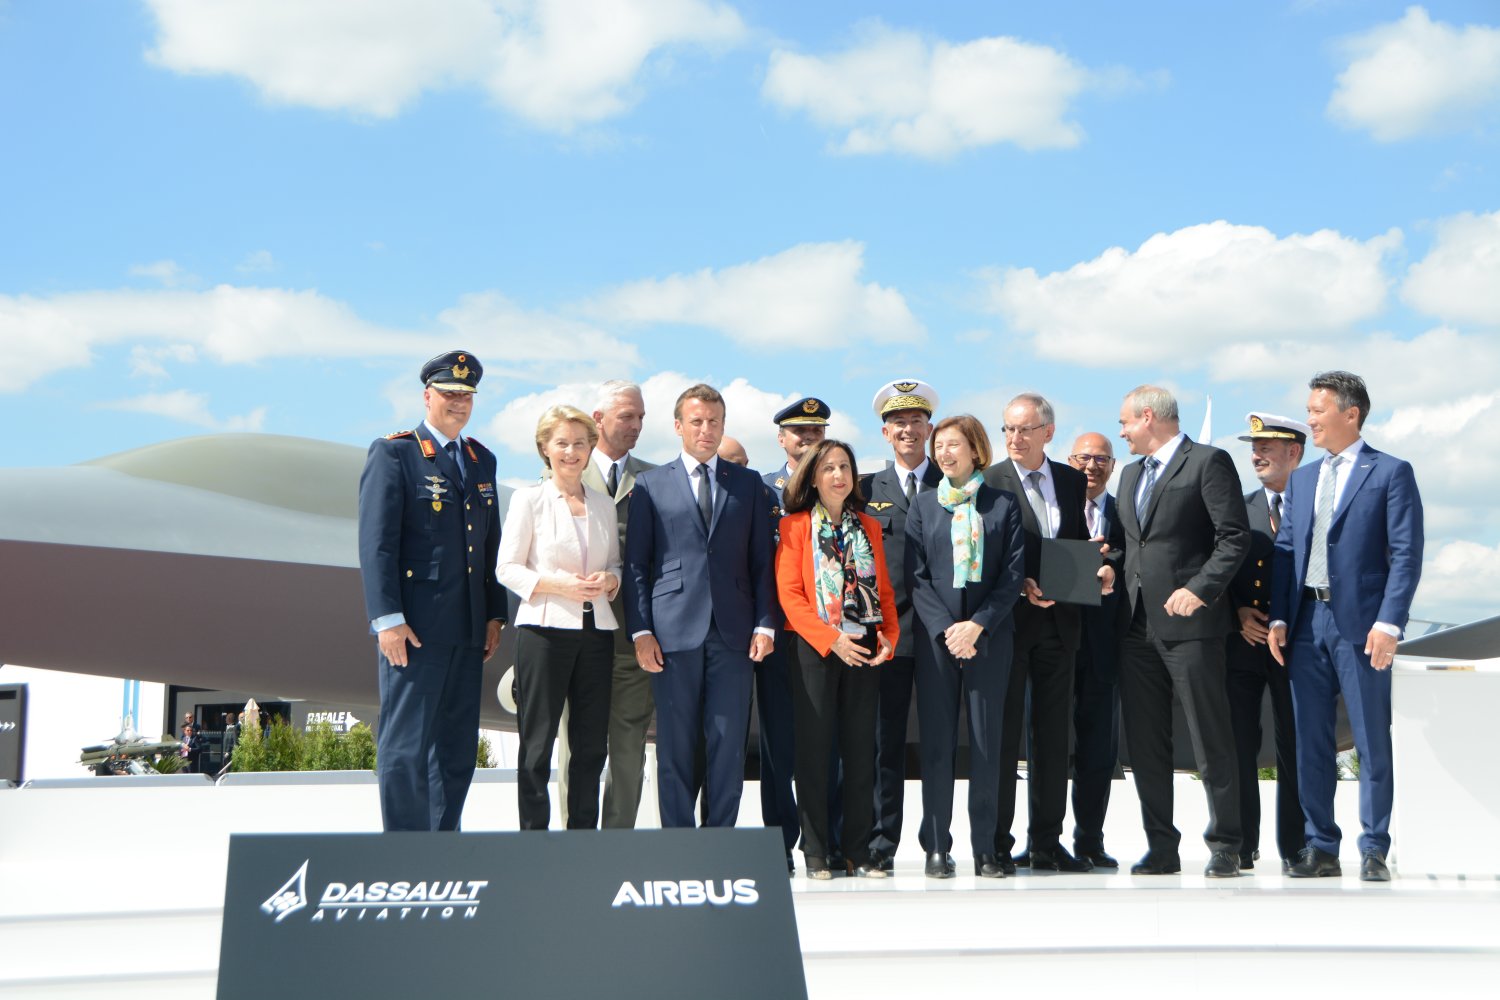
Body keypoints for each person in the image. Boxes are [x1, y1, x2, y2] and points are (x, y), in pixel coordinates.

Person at [1270, 372, 1423, 882]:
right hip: (1305, 622)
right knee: (1310, 741)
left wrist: (1390, 622)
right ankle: (1321, 847)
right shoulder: (1304, 479)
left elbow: (1406, 554)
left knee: (1370, 739)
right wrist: (1278, 616)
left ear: (1350, 414)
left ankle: (1374, 847)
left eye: (1317, 410)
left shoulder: (1391, 472)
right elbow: (1286, 551)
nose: (1309, 419)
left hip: (1363, 626)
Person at [357, 350, 506, 832]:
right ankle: (405, 853)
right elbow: (377, 544)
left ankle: (443, 851)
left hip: (468, 630)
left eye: (467, 396)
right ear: (427, 396)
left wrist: (494, 616)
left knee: (456, 752)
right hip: (414, 631)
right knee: (406, 749)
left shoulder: (481, 460)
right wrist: (387, 620)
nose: (459, 403)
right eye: (449, 394)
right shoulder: (395, 453)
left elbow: (489, 544)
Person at [623, 383, 779, 828]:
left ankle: (720, 841)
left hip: (735, 632)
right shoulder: (650, 485)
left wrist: (765, 624)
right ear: (678, 426)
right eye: (696, 421)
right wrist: (641, 631)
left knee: (727, 744)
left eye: (714, 422)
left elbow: (762, 561)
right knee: (675, 744)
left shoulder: (748, 484)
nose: (706, 430)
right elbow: (637, 564)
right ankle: (678, 843)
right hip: (671, 633)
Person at [1116, 385, 1249, 878]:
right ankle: (1161, 847)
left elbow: (1233, 537)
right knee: (1146, 744)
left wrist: (1200, 589)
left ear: (1148, 417)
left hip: (1192, 626)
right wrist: (1109, 567)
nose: (1122, 432)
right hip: (1135, 626)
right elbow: (1133, 545)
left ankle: (1226, 844)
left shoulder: (1208, 462)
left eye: (1125, 422)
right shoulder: (1130, 474)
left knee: (1209, 736)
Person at [983, 393, 1113, 874]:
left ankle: (1046, 843)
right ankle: (996, 843)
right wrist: (1020, 585)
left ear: (1048, 433)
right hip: (1008, 625)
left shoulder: (1070, 480)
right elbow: (983, 553)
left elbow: (1074, 543)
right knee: (1003, 738)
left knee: (1054, 740)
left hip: (1061, 626)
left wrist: (1098, 569)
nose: (1014, 438)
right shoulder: (988, 480)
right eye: (1008, 429)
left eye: (1024, 429)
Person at [906, 414, 1025, 878]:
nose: (943, 453)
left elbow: (1012, 577)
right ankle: (937, 845)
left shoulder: (1003, 504)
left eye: (953, 444)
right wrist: (947, 630)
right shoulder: (923, 505)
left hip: (988, 639)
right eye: (939, 445)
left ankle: (986, 848)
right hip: (938, 642)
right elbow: (916, 577)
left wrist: (976, 626)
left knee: (986, 743)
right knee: (937, 744)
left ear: (976, 449)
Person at [776, 439, 898, 879]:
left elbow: (883, 589)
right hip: (816, 648)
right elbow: (790, 596)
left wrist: (889, 636)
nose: (838, 475)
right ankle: (815, 850)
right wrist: (831, 640)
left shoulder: (868, 525)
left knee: (861, 751)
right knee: (814, 752)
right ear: (813, 477)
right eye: (828, 468)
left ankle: (857, 852)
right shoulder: (794, 526)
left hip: (864, 644)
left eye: (845, 467)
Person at [497, 405, 622, 830]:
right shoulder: (528, 500)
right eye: (562, 443)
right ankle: (534, 839)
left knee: (591, 746)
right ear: (545, 448)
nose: (571, 451)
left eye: (580, 443)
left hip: (596, 633)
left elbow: (616, 564)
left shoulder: (604, 505)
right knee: (538, 743)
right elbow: (507, 568)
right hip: (544, 632)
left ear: (590, 449)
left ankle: (582, 837)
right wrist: (556, 585)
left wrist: (610, 579)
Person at [861, 379, 942, 872]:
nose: (908, 429)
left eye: (916, 421)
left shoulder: (954, 483)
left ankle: (937, 843)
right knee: (882, 744)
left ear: (930, 429)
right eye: (898, 423)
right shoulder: (866, 488)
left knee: (939, 744)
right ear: (885, 433)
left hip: (940, 634)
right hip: (886, 637)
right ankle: (879, 844)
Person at [1227, 412, 1310, 873]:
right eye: (1254, 448)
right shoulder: (1238, 510)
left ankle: (1296, 846)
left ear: (1294, 452)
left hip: (1298, 644)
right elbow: (1217, 571)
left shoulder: (1315, 506)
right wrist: (1237, 612)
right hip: (1244, 643)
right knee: (1238, 743)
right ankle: (1241, 842)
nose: (1256, 455)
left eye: (1266, 448)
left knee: (1294, 744)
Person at [576, 380, 658, 830]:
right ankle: (573, 849)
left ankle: (617, 846)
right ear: (599, 418)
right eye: (627, 416)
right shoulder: (563, 472)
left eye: (641, 417)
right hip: (574, 636)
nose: (636, 425)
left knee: (628, 752)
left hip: (632, 637)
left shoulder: (656, 481)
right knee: (577, 749)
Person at [759, 397, 830, 871]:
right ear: (781, 438)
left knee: (828, 740)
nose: (808, 438)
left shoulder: (841, 485)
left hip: (829, 632)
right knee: (777, 744)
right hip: (779, 631)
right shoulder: (763, 490)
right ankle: (779, 842)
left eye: (816, 431)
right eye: (799, 431)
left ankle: (828, 840)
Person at [1066, 433, 1129, 869]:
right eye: (1083, 458)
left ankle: (1090, 840)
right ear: (1070, 461)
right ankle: (1042, 840)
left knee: (1098, 750)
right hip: (1054, 642)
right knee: (1044, 746)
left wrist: (1111, 565)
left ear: (1112, 465)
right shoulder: (1053, 510)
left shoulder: (1127, 514)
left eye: (1101, 459)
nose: (1091, 465)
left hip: (1105, 646)